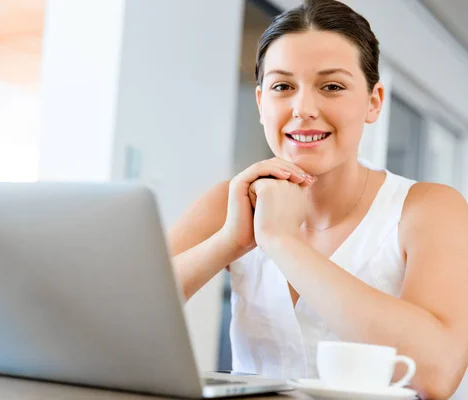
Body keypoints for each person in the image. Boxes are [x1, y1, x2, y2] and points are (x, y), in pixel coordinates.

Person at [168, 1, 468, 398]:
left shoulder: (430, 209)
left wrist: (283, 242)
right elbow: (120, 314)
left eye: (332, 86)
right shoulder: (228, 201)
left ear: (374, 102)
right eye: (282, 87)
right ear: (261, 103)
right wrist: (229, 241)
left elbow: (435, 374)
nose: (303, 109)